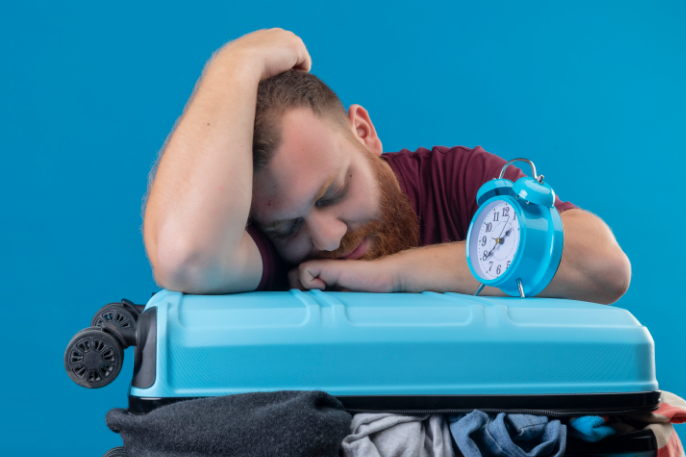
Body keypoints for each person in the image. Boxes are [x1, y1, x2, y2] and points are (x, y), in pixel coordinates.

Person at [143, 28, 631, 304]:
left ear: (364, 133)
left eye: (333, 193)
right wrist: (233, 64)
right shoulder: (268, 251)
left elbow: (603, 268)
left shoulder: (453, 178)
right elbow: (186, 257)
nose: (328, 240)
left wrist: (396, 274)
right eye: (288, 225)